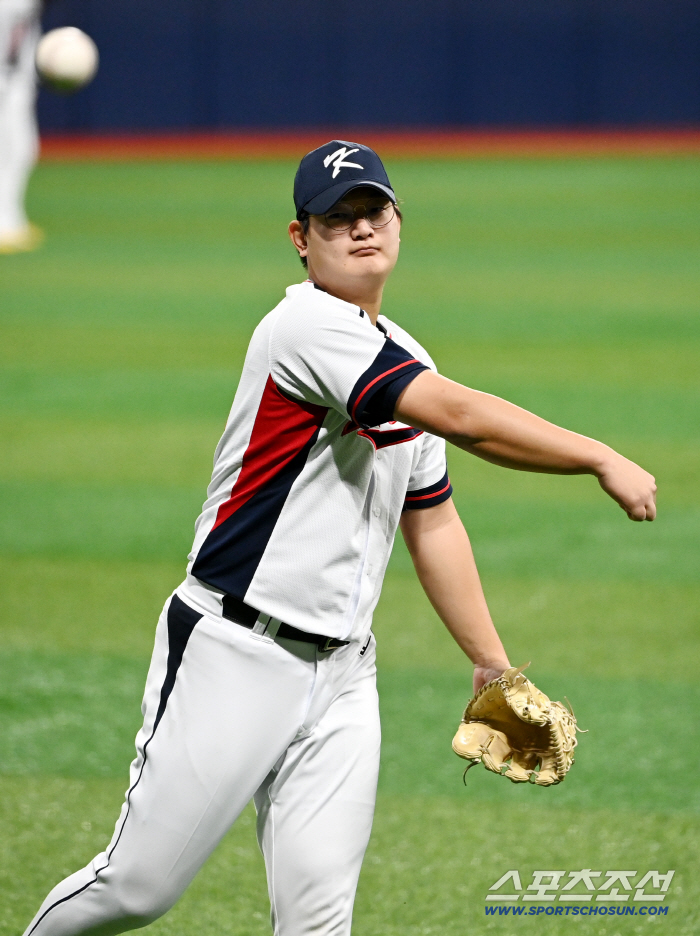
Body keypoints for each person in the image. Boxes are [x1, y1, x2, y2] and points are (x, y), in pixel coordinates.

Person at [23, 140, 656, 936]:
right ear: (301, 238)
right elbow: (466, 421)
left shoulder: (409, 358)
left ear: (399, 222)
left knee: (320, 919)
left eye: (374, 211)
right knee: (135, 889)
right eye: (337, 217)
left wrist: (490, 661)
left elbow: (432, 516)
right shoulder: (304, 327)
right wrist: (598, 456)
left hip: (345, 676)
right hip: (236, 654)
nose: (360, 228)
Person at [0, 0, 42, 253]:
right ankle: (5, 224)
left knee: (21, 151)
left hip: (15, 82)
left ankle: (11, 220)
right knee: (14, 152)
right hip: (7, 83)